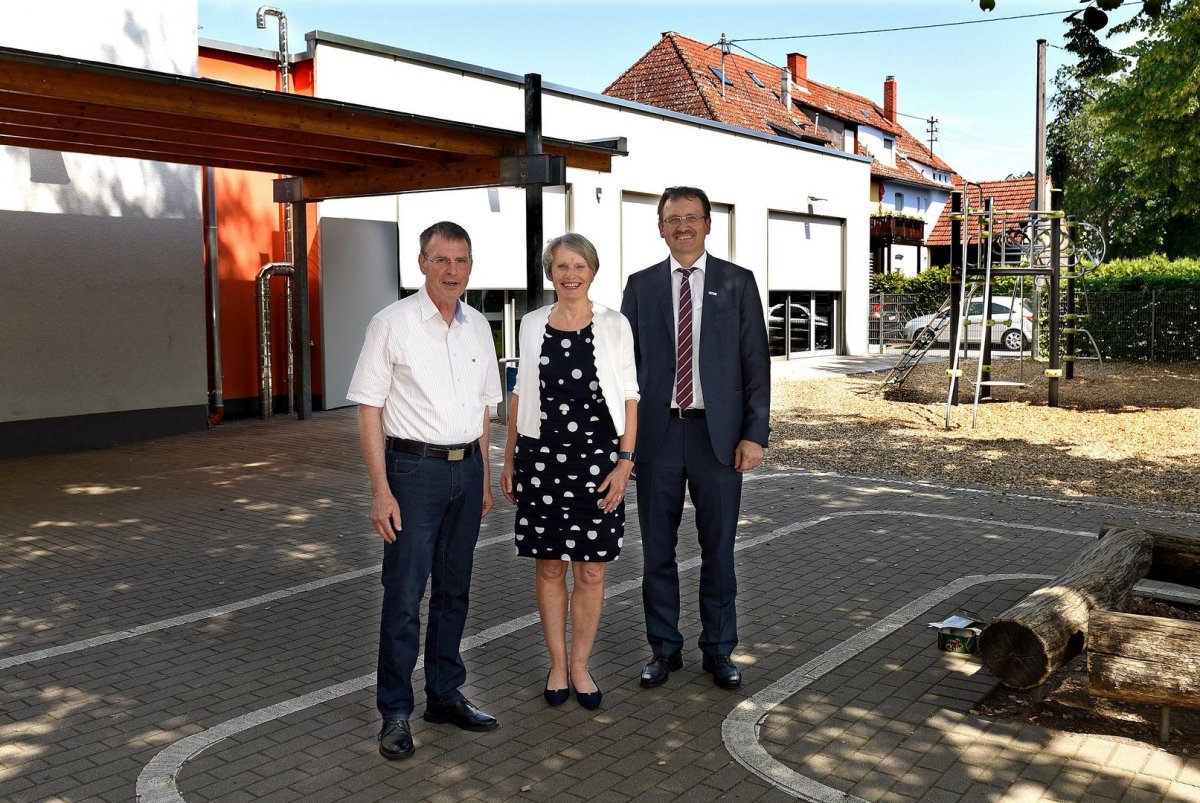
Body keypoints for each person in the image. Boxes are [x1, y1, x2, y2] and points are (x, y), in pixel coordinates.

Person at [346, 221, 502, 761]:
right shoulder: (390, 324)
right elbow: (369, 408)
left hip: (466, 470)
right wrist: (380, 491)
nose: (451, 271)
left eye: (460, 261)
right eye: (441, 260)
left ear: (470, 267)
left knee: (455, 591)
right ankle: (395, 711)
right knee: (405, 596)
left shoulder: (479, 326)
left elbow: (485, 408)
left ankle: (444, 693)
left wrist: (482, 473)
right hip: (412, 474)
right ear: (421, 264)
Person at [620, 187, 770, 691]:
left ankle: (719, 650)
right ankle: (663, 649)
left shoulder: (737, 283)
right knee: (656, 550)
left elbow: (756, 366)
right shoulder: (639, 288)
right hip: (658, 437)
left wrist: (754, 434)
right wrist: (626, 446)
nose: (682, 226)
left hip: (718, 437)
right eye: (672, 218)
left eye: (691, 217)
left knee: (719, 550)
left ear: (708, 224)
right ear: (660, 227)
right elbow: (626, 373)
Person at [500, 233, 639, 710]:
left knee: (592, 570)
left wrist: (625, 462)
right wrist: (508, 456)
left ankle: (581, 665)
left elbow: (630, 397)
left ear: (593, 271)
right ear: (550, 272)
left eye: (579, 265)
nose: (570, 274)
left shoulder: (614, 324)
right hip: (540, 459)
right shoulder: (532, 322)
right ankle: (556, 665)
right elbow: (520, 392)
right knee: (548, 566)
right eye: (561, 266)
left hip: (599, 461)